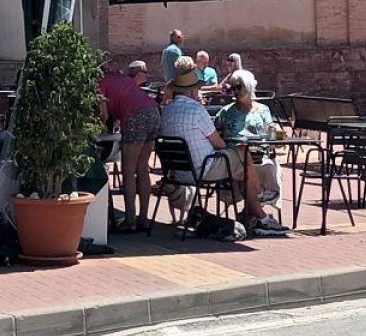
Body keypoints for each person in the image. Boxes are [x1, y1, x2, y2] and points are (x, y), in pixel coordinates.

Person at [159, 57, 279, 234]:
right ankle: (260, 212)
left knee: (241, 167)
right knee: (243, 156)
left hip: (177, 172)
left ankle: (253, 211)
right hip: (203, 169)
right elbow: (219, 143)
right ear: (193, 90)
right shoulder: (196, 110)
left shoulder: (167, 111)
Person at [97, 58, 161, 231]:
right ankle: (144, 219)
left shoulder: (99, 84)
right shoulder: (120, 78)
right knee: (142, 169)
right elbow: (124, 99)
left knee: (128, 169)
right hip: (153, 111)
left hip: (135, 117)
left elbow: (103, 116)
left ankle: (130, 219)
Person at [213, 76, 283, 208]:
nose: (236, 91)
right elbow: (216, 135)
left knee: (269, 165)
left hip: (259, 155)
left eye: (239, 87)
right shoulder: (225, 111)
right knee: (247, 168)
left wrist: (276, 133)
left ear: (250, 87)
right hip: (234, 158)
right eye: (233, 88)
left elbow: (272, 133)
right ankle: (258, 204)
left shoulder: (263, 110)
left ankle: (253, 214)